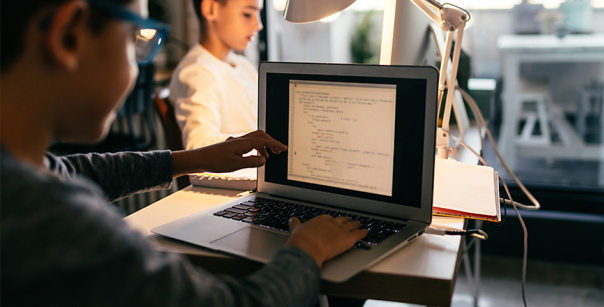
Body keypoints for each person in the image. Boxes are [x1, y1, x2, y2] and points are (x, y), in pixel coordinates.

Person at [0, 0, 368, 306]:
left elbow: (76, 171)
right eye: (135, 38)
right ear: (68, 36)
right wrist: (306, 249)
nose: (137, 62)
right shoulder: (57, 224)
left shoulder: (22, 178)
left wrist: (194, 158)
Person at [169, 0, 261, 150]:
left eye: (258, 13)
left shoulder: (244, 65)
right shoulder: (198, 73)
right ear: (211, 9)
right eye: (247, 14)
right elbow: (199, 145)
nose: (258, 25)